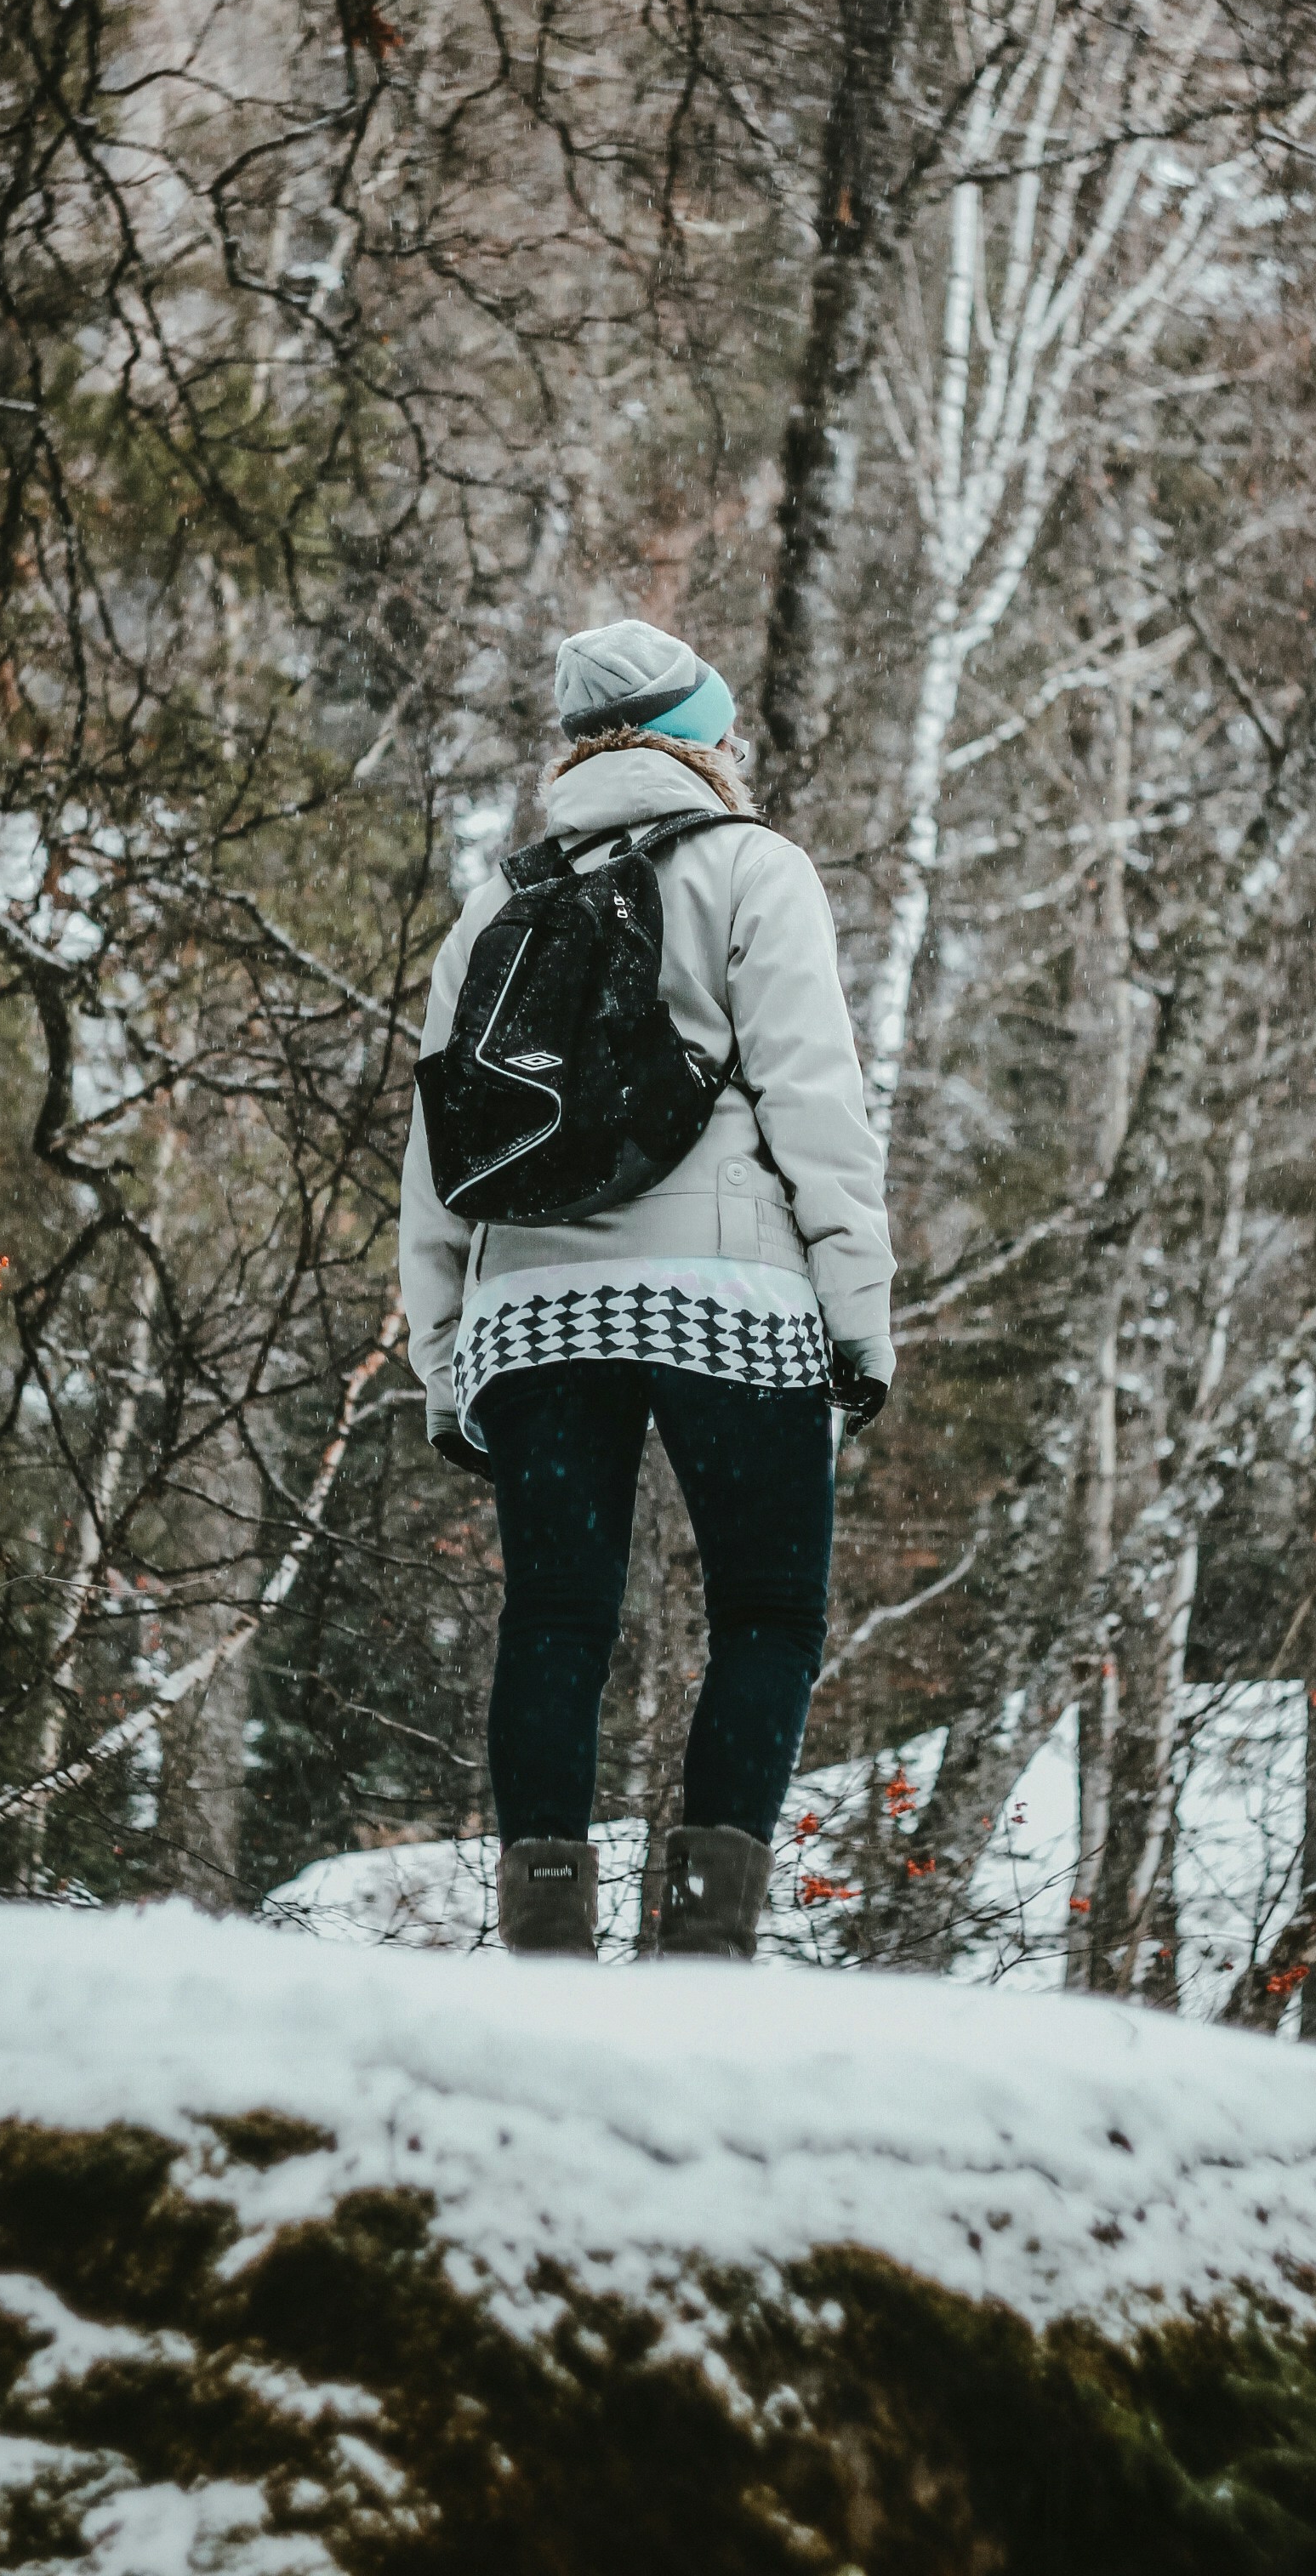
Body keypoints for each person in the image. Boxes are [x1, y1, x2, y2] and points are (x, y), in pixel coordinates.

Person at [400, 619, 896, 1959]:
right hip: (730, 1297)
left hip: (533, 1316)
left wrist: (445, 1361)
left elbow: (438, 1160)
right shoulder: (753, 870)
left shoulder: (492, 913)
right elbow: (816, 1105)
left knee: (558, 1615)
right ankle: (701, 1940)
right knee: (768, 1613)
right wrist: (856, 1314)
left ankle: (547, 1939)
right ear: (700, 741)